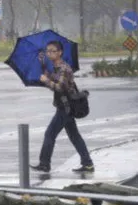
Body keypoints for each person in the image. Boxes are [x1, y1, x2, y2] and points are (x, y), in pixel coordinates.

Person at [30, 41, 95, 174]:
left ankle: (44, 164)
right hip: (65, 106)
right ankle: (87, 164)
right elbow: (54, 79)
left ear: (60, 52)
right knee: (74, 136)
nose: (50, 53)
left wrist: (46, 81)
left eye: (53, 51)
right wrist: (43, 67)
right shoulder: (55, 67)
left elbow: (60, 87)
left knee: (50, 134)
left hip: (65, 107)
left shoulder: (64, 68)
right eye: (48, 51)